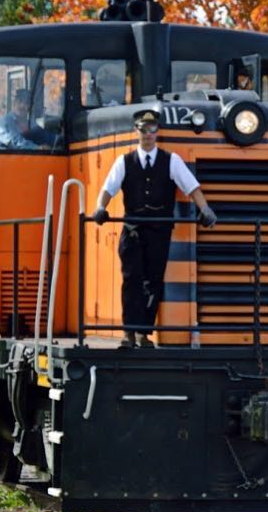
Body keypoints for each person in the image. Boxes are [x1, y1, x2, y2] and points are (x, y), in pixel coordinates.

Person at [90, 110, 217, 348]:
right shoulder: (124, 162)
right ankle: (128, 333)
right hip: (133, 230)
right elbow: (109, 188)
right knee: (131, 280)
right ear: (136, 131)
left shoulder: (172, 161)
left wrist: (205, 209)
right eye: (143, 129)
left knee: (153, 281)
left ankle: (143, 333)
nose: (148, 135)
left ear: (157, 132)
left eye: (152, 130)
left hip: (159, 231)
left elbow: (191, 187)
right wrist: (100, 208)